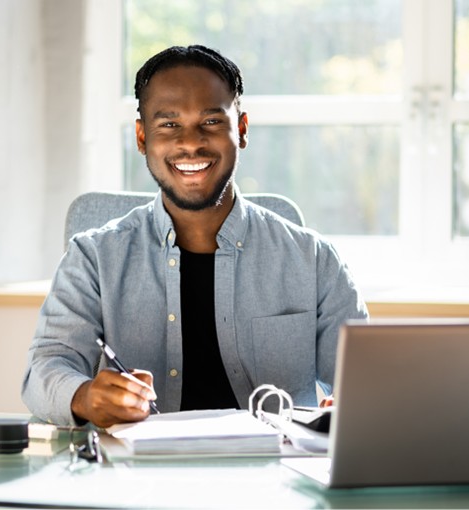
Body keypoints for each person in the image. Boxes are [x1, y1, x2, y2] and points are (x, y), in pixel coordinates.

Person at [22, 45, 368, 427]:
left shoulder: (313, 259)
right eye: (169, 125)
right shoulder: (92, 257)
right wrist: (85, 397)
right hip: (138, 478)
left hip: (273, 475)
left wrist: (355, 406)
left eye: (211, 122)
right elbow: (45, 369)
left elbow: (369, 385)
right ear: (142, 137)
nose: (191, 143)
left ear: (242, 129)